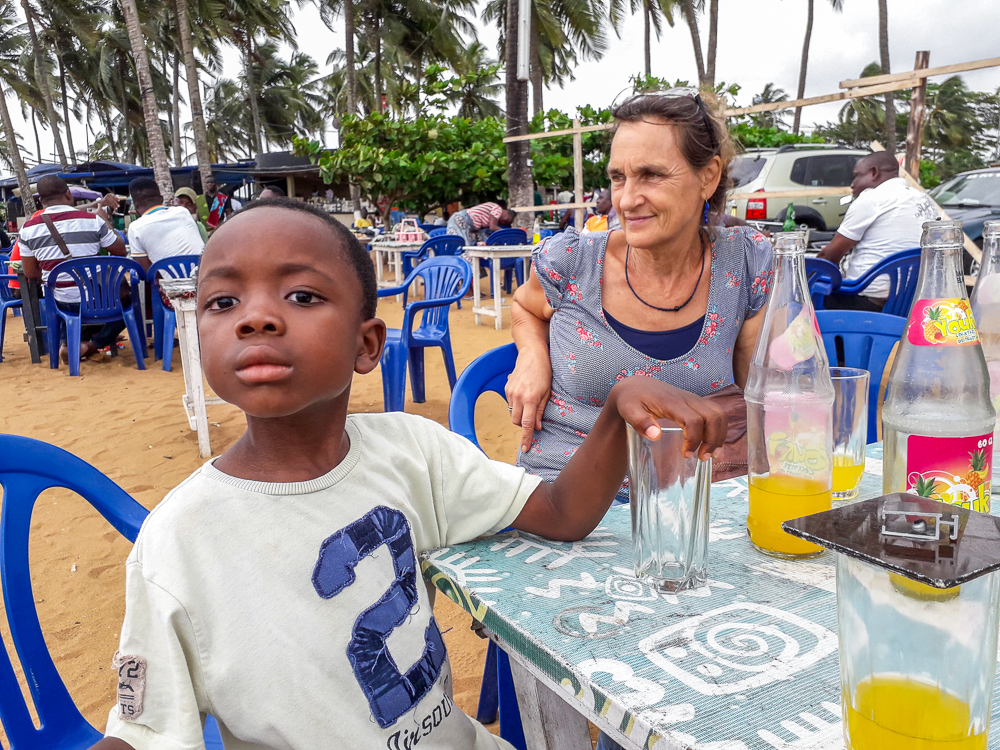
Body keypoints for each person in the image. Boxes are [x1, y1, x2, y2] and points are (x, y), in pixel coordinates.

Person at [88, 197, 727, 750]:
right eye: (223, 300)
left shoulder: (413, 453)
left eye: (302, 295)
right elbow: (145, 732)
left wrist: (616, 410)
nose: (256, 317)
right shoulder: (180, 541)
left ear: (368, 345)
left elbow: (562, 514)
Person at [507, 89, 774, 506]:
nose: (627, 200)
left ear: (708, 176)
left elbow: (763, 395)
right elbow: (524, 305)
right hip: (566, 500)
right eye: (618, 177)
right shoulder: (575, 261)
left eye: (651, 174)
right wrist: (531, 355)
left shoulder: (743, 265)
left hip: (689, 505)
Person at [19, 175, 128, 363]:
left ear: (41, 200)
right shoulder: (92, 221)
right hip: (96, 301)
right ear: (68, 194)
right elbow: (120, 251)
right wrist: (106, 222)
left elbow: (30, 273)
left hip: (60, 300)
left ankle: (69, 344)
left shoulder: (28, 229)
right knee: (129, 303)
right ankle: (91, 345)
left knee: (67, 304)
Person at [818, 151, 938, 311]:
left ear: (874, 173)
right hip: (912, 303)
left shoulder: (872, 199)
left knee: (801, 297)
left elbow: (828, 257)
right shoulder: (924, 200)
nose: (853, 184)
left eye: (856, 176)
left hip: (866, 303)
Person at [126, 178, 205, 272]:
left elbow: (145, 271)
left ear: (136, 207)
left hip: (170, 285)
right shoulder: (183, 212)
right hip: (204, 277)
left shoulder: (135, 227)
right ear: (161, 199)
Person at [446, 201, 515, 244]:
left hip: (470, 226)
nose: (503, 222)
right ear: (507, 212)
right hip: (462, 219)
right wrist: (508, 233)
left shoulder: (489, 218)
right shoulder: (498, 209)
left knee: (480, 244)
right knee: (464, 246)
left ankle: (479, 265)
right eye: (506, 220)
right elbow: (493, 227)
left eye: (504, 223)